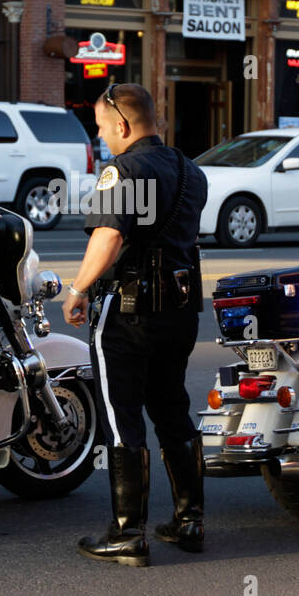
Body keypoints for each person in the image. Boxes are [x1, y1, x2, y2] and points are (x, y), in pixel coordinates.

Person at [62, 83, 209, 566]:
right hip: (181, 310)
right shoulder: (192, 172)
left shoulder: (121, 171)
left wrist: (79, 289)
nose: (103, 138)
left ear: (122, 125)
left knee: (120, 414)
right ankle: (190, 520)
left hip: (130, 311)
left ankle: (127, 534)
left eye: (104, 128)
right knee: (171, 406)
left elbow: (108, 236)